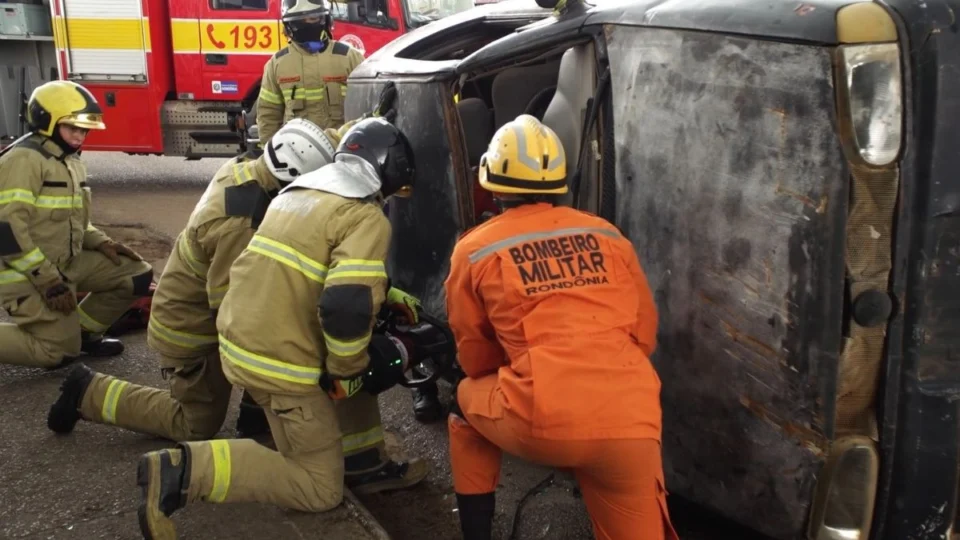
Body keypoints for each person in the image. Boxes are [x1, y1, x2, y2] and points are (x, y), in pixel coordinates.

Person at [136, 117, 427, 538]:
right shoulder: (365, 217)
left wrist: (385, 292)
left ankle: (358, 463)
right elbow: (345, 307)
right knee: (319, 487)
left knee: (319, 414)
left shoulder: (295, 193)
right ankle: (183, 472)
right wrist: (350, 370)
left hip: (240, 346)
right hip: (280, 365)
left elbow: (306, 269)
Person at [443, 115, 679, 540]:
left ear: (492, 182)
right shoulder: (607, 234)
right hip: (631, 419)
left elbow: (475, 357)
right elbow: (643, 333)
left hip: (543, 416)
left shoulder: (475, 249)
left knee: (465, 399)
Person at [45, 118, 336, 440]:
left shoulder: (248, 169)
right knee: (196, 424)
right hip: (189, 331)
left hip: (192, 308)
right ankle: (86, 393)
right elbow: (236, 313)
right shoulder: (241, 223)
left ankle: (255, 415)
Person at [0, 80, 153, 369]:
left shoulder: (70, 161)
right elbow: (6, 231)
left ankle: (82, 336)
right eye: (72, 128)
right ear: (46, 122)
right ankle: (65, 342)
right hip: (24, 273)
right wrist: (47, 280)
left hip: (65, 265)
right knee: (56, 353)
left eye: (84, 130)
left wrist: (101, 242)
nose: (79, 136)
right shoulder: (24, 160)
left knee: (136, 275)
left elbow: (74, 219)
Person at [256, 0, 366, 144]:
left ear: (326, 20)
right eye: (300, 22)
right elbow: (268, 116)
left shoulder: (350, 58)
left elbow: (366, 109)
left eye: (313, 19)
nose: (307, 25)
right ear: (289, 26)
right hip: (296, 152)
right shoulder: (277, 64)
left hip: (341, 150)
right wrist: (272, 152)